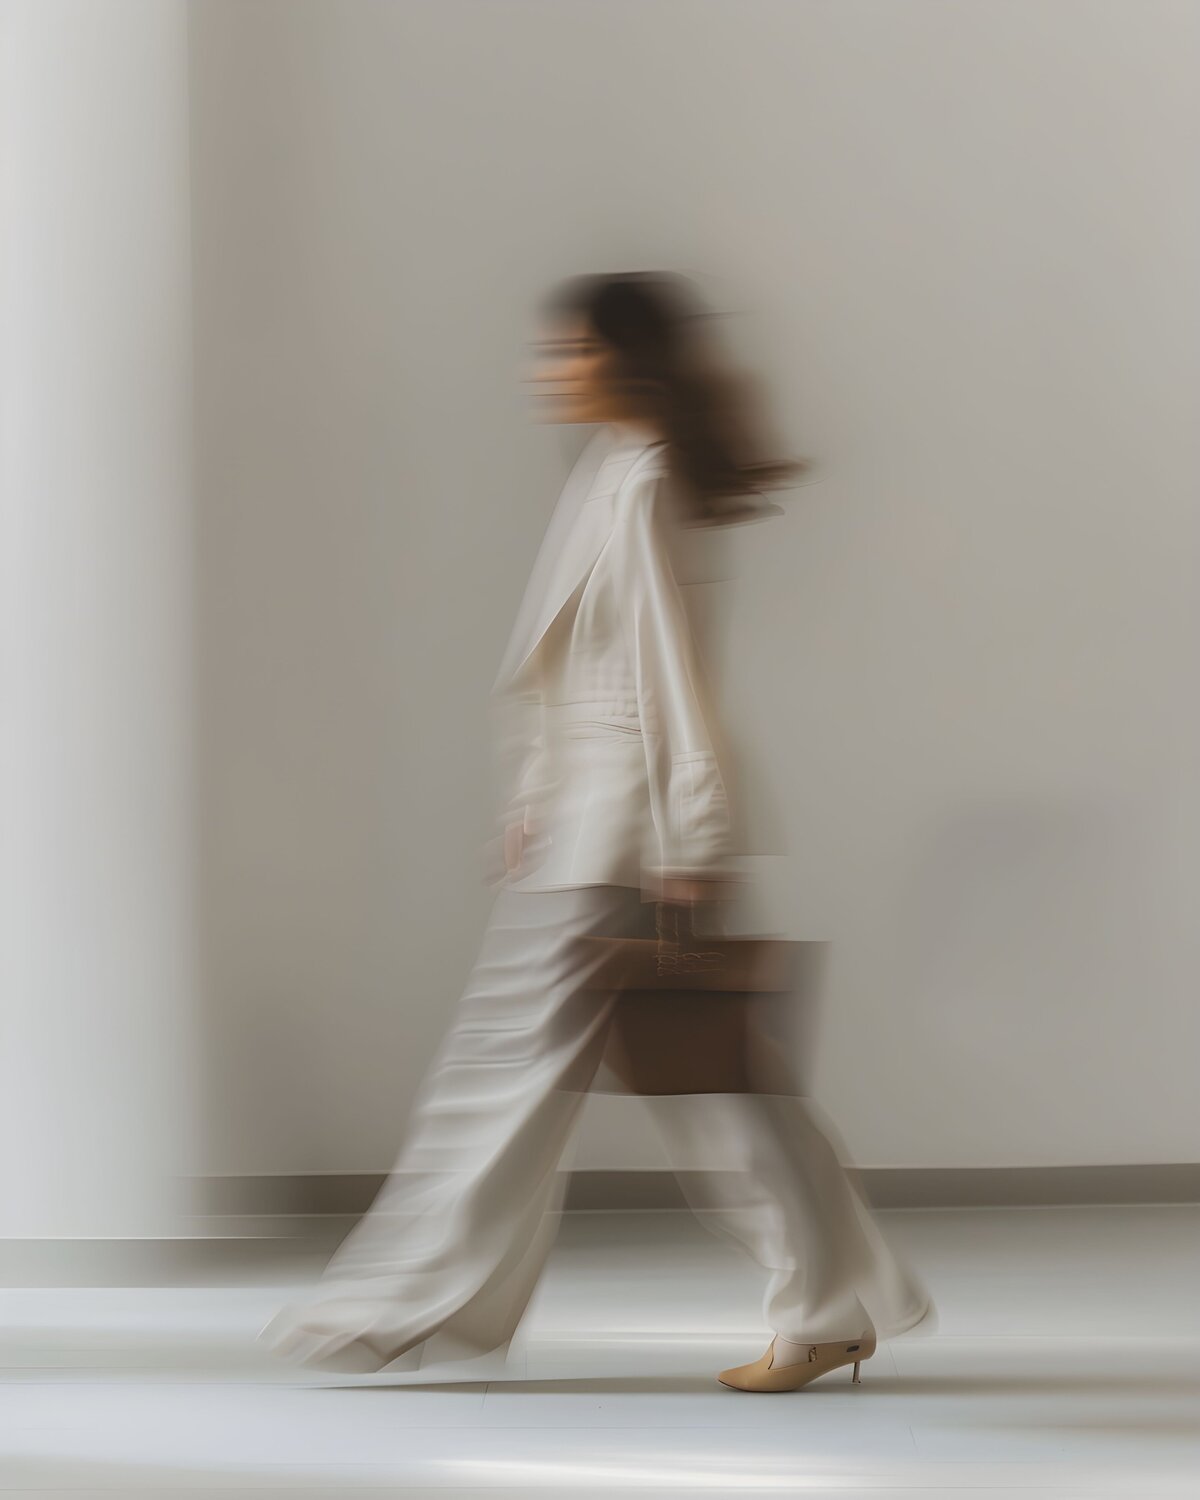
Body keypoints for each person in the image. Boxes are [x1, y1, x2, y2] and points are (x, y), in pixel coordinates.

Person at [258, 272, 934, 1392]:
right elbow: (581, 668)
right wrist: (532, 801)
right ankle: (829, 1306)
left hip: (626, 834)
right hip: (595, 827)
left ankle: (387, 1305)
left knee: (518, 1075)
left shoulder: (644, 479)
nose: (547, 370)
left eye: (567, 351)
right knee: (718, 1086)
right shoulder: (614, 470)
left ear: (625, 359)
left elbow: (672, 679)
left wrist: (687, 845)